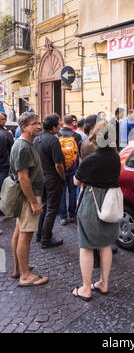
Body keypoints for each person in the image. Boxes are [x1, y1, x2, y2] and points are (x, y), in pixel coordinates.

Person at [72, 121, 121, 301]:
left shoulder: (91, 159)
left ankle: (86, 288)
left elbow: (76, 182)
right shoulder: (116, 157)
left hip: (92, 202)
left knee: (86, 246)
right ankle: (104, 282)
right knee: (105, 244)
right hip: (110, 202)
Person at [10, 113, 48, 287]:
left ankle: (19, 267)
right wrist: (34, 202)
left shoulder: (25, 143)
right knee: (25, 235)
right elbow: (23, 178)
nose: (39, 126)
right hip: (29, 196)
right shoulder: (23, 147)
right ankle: (25, 275)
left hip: (26, 195)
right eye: (34, 124)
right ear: (23, 127)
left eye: (39, 123)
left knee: (19, 231)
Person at [34, 114, 65, 249]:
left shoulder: (37, 138)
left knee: (45, 206)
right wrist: (63, 177)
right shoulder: (53, 140)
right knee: (51, 209)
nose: (61, 125)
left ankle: (40, 234)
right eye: (59, 123)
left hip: (41, 177)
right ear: (53, 128)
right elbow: (58, 165)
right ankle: (46, 239)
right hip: (52, 178)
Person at [57, 115, 82, 226]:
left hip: (61, 167)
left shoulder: (57, 135)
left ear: (63, 122)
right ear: (72, 123)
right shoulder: (77, 136)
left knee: (62, 193)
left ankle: (63, 217)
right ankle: (72, 215)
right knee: (72, 191)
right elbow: (79, 153)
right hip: (73, 167)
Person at [0, 113, 14, 216]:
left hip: (4, 166)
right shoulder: (7, 134)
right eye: (4, 119)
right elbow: (12, 152)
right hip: (4, 166)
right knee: (3, 190)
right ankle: (3, 211)